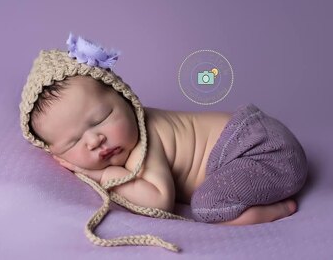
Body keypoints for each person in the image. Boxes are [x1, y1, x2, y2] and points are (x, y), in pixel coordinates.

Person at [19, 33, 308, 251]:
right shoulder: (122, 139)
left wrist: (102, 173)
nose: (95, 140)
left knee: (208, 205)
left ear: (126, 98)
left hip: (263, 149)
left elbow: (160, 200)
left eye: (101, 119)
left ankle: (277, 210)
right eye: (73, 143)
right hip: (255, 141)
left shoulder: (145, 142)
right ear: (56, 153)